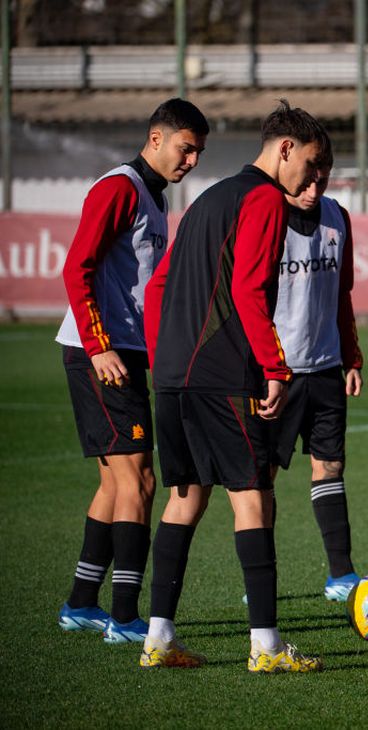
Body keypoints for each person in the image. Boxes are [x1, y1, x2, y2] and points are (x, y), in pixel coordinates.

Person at [140, 100, 328, 673]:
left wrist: (163, 362)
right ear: (285, 148)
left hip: (174, 375)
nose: (314, 180)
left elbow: (158, 288)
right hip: (223, 375)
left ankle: (158, 639)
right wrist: (275, 367)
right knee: (252, 497)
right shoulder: (265, 198)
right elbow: (248, 290)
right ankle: (266, 647)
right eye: (313, 166)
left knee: (185, 497)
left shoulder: (208, 197)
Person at [54, 98, 208, 644]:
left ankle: (81, 604)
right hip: (102, 355)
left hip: (123, 352)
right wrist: (98, 347)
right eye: (185, 148)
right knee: (141, 477)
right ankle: (123, 618)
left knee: (114, 484)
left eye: (197, 153)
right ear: (156, 137)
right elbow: (78, 267)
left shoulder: (151, 196)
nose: (190, 160)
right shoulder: (118, 187)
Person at [270, 141, 365, 602]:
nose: (312, 190)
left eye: (321, 180)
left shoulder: (337, 217)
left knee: (329, 466)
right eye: (306, 180)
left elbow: (342, 294)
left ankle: (341, 575)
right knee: (259, 479)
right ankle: (261, 580)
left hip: (326, 367)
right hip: (275, 374)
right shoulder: (265, 217)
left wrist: (351, 356)